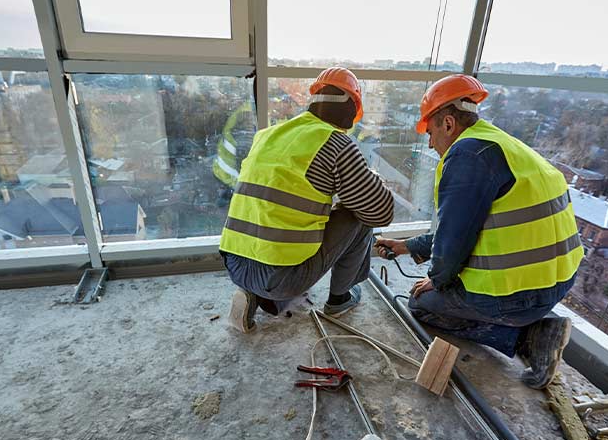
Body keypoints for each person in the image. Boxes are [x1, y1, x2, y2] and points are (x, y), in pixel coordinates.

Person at [376, 74, 583, 389]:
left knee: (422, 304)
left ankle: (529, 337)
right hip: (557, 283)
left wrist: (438, 281)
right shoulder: (503, 145)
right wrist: (405, 247)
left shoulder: (466, 156)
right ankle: (532, 325)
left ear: (448, 123)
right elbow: (470, 230)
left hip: (520, 296)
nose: (430, 143)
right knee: (437, 287)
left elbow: (453, 245)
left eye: (430, 132)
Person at [220, 67, 394, 333]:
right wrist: (372, 180)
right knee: (356, 214)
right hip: (280, 277)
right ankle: (340, 299)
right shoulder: (336, 142)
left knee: (298, 233)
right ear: (351, 108)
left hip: (234, 265)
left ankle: (257, 296)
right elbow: (380, 212)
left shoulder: (268, 135)